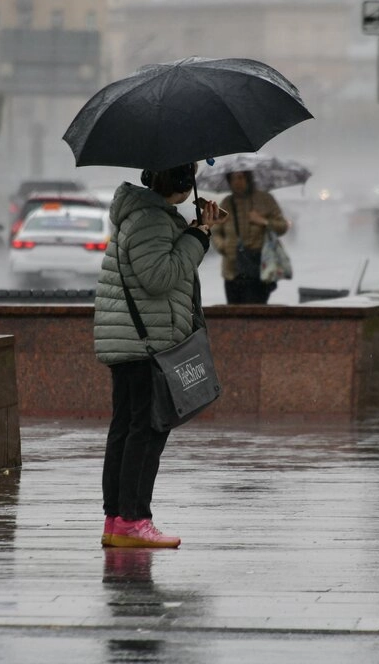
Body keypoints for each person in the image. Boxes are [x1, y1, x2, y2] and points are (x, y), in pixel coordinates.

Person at [93, 162, 225, 548]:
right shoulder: (150, 219)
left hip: (134, 341)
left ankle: (118, 521)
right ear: (182, 184)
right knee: (146, 430)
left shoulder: (143, 215)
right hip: (146, 342)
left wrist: (192, 228)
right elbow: (160, 277)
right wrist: (199, 235)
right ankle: (133, 520)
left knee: (127, 429)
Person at [210, 171, 289, 304]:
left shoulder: (265, 199)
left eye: (240, 177)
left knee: (255, 313)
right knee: (234, 316)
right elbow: (216, 231)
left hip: (258, 269)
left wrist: (263, 221)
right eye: (233, 179)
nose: (237, 182)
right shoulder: (227, 203)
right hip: (232, 271)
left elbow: (282, 226)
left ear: (248, 178)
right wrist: (222, 246)